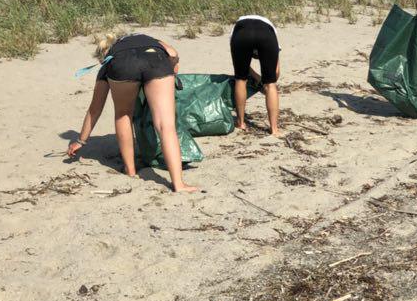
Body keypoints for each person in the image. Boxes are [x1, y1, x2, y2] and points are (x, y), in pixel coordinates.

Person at [67, 32, 199, 193]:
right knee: (166, 125)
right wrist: (174, 65)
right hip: (156, 60)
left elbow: (95, 108)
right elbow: (172, 53)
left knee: (123, 114)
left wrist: (81, 141)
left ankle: (130, 171)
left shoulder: (110, 62)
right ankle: (179, 184)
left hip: (123, 65)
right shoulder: (147, 38)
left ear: (103, 56)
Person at [230, 14, 281, 135]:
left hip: (241, 33)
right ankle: (274, 129)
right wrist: (265, 81)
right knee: (271, 84)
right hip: (266, 34)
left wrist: (258, 78)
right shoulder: (271, 30)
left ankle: (241, 122)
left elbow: (242, 68)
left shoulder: (234, 31)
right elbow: (276, 72)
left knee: (240, 80)